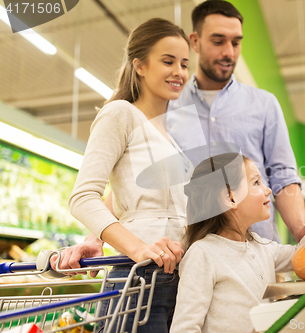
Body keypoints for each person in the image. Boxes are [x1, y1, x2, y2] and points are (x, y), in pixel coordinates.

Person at [50, 18, 192, 332]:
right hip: (137, 277)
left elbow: (127, 193)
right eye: (168, 61)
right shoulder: (119, 113)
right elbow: (83, 198)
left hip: (183, 275)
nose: (179, 72)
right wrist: (137, 247)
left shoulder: (173, 135)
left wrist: (96, 237)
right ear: (140, 66)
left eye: (184, 63)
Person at [166, 0, 305, 244]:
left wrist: (300, 230)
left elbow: (282, 176)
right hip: (190, 252)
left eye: (236, 42)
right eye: (218, 41)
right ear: (195, 41)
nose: (229, 52)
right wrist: (99, 235)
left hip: (259, 253)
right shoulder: (170, 105)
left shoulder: (264, 104)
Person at [169, 153, 305, 333]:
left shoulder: (262, 247)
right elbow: (183, 328)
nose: (268, 190)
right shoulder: (203, 255)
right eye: (256, 183)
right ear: (231, 199)